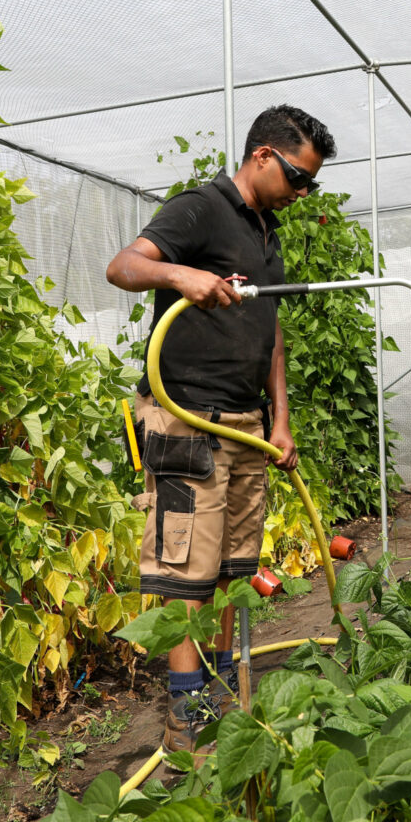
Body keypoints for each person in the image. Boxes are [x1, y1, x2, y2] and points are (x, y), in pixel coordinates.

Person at [106, 105, 336, 753]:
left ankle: (221, 684)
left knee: (235, 568)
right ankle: (189, 709)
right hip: (187, 422)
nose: (301, 192)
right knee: (184, 571)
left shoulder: (266, 231)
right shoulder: (201, 209)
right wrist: (183, 274)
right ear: (263, 155)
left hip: (246, 427)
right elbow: (123, 266)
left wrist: (280, 419)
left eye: (309, 183)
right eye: (297, 176)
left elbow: (273, 332)